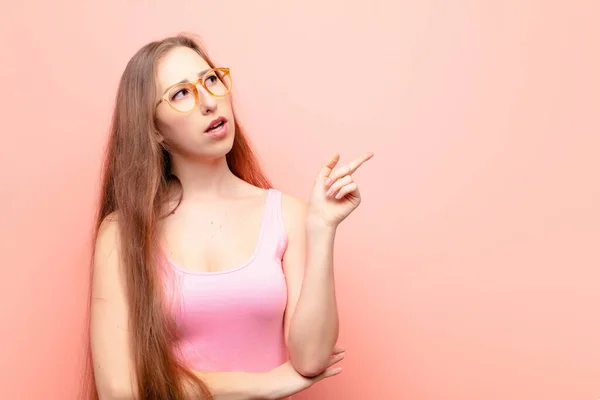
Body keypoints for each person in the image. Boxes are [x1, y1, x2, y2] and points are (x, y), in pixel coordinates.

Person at [88, 32, 373, 400]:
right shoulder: (123, 233)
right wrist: (264, 385)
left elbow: (311, 359)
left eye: (211, 80)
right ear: (154, 130)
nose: (209, 102)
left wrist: (322, 228)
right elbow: (119, 390)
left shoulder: (287, 215)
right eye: (180, 94)